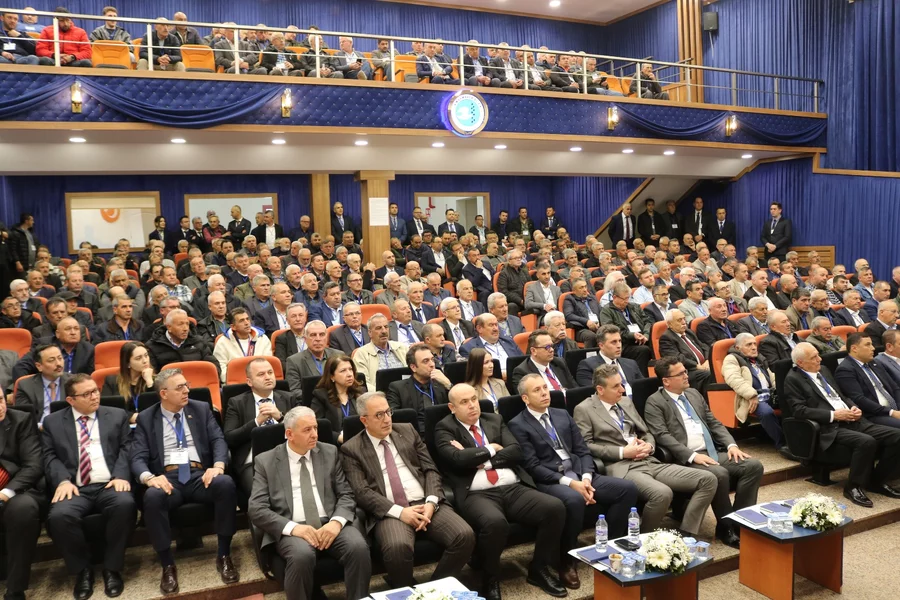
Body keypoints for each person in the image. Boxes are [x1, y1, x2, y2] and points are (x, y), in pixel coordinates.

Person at [434, 383, 568, 600]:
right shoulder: (444, 428)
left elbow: (516, 452)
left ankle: (539, 568)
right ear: (452, 407)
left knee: (554, 508)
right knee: (495, 523)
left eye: (474, 399)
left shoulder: (494, 419)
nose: (472, 405)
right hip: (476, 493)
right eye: (464, 402)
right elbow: (458, 459)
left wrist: (480, 460)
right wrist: (492, 448)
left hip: (512, 487)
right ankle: (490, 578)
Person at [509, 374, 638, 588]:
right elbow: (533, 467)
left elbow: (582, 450)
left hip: (579, 473)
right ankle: (566, 560)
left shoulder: (562, 415)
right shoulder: (518, 424)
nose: (544, 393)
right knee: (574, 499)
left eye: (545, 387)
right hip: (551, 481)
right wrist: (571, 483)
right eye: (537, 390)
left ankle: (610, 546)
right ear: (525, 398)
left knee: (627, 489)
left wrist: (586, 477)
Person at [340, 391, 476, 588]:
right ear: (364, 420)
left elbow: (430, 469)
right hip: (390, 511)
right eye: (379, 415)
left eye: (388, 412)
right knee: (397, 547)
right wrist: (400, 512)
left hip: (425, 502)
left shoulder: (407, 430)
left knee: (464, 535)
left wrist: (431, 502)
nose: (387, 419)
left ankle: (433, 589)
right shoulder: (352, 449)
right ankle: (404, 590)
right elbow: (362, 492)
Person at [131, 368, 240, 593]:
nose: (186, 390)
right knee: (152, 496)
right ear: (163, 393)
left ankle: (224, 554)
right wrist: (150, 478)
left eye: (186, 385)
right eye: (180, 387)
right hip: (168, 478)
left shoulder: (200, 409)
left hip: (200, 474)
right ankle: (167, 565)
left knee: (226, 483)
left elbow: (218, 440)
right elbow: (137, 456)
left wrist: (218, 466)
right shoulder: (147, 418)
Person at [573, 365, 716, 534]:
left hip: (648, 460)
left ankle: (687, 532)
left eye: (621, 384)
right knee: (662, 493)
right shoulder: (584, 409)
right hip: (623, 467)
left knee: (708, 479)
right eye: (616, 386)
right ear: (600, 389)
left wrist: (649, 445)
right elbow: (586, 446)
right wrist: (623, 452)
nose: (622, 390)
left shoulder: (625, 402)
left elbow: (646, 432)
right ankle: (645, 538)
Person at [249, 406, 371, 600]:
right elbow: (256, 509)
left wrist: (336, 522)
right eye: (307, 430)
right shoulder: (266, 461)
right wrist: (294, 528)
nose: (314, 434)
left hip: (329, 521)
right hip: (292, 526)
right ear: (289, 434)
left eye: (315, 428)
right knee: (301, 556)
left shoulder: (329, 452)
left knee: (358, 547)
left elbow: (346, 494)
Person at [646, 357, 763, 547]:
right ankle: (725, 527)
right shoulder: (655, 402)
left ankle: (740, 521)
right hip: (686, 458)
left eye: (685, 371)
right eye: (680, 374)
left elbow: (713, 422)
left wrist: (731, 445)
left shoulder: (693, 393)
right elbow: (662, 436)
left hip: (711, 451)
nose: (686, 375)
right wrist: (692, 456)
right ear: (666, 381)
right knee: (719, 473)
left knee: (753, 466)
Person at [42, 373, 136, 600]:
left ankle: (112, 568)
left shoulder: (116, 415)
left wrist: (121, 475)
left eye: (95, 391)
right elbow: (49, 456)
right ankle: (82, 571)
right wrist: (62, 480)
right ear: (71, 400)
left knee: (125, 504)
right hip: (75, 487)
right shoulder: (53, 422)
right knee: (59, 516)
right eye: (87, 394)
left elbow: (127, 448)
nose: (95, 397)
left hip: (109, 483)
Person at [784, 343, 900, 507]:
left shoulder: (824, 370)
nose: (820, 359)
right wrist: (834, 415)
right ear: (800, 363)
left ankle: (876, 480)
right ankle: (853, 487)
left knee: (896, 436)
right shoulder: (793, 379)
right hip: (831, 427)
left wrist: (853, 407)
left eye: (818, 355)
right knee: (866, 441)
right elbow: (799, 410)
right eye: (814, 357)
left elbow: (841, 396)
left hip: (852, 419)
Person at [223, 357, 291, 497]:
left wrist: (280, 417)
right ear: (249, 382)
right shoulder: (236, 403)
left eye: (270, 372)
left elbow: (303, 428)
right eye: (261, 374)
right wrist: (257, 421)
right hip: (252, 462)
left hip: (288, 458)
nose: (268, 377)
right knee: (261, 496)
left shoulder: (289, 398)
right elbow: (230, 437)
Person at [0, 391, 43, 600]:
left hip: (15, 490)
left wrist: (6, 493)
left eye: (0, 400)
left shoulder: (21, 420)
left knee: (24, 509)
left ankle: (15, 589)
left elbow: (33, 465)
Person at [722, 333, 784, 449]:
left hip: (771, 394)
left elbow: (772, 377)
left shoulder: (759, 358)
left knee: (792, 402)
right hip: (753, 397)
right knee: (766, 412)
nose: (754, 347)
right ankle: (781, 444)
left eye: (755, 344)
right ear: (738, 348)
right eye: (749, 345)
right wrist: (751, 394)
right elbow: (733, 379)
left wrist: (782, 389)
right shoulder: (731, 359)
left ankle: (795, 439)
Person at [834, 333, 900, 428]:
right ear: (854, 348)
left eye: (872, 344)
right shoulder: (845, 370)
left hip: (894, 409)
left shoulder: (874, 363)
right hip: (874, 415)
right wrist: (891, 412)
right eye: (867, 345)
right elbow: (859, 399)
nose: (873, 348)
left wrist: (898, 408)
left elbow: (894, 387)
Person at [386, 345, 449, 435]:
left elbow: (459, 406)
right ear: (413, 367)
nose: (432, 364)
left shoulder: (441, 383)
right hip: (413, 435)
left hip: (443, 432)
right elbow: (394, 418)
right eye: (426, 361)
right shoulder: (397, 388)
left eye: (432, 359)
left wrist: (448, 385)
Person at [285, 320, 345, 403]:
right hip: (311, 404)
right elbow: (294, 391)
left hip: (338, 401)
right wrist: (320, 399)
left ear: (326, 337)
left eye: (322, 335)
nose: (318, 339)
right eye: (313, 335)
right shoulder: (294, 361)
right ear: (305, 339)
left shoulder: (339, 355)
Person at [599, 283, 652, 375]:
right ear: (615, 297)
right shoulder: (607, 311)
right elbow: (610, 331)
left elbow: (647, 322)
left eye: (628, 298)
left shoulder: (634, 307)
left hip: (642, 338)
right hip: (623, 343)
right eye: (624, 299)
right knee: (643, 350)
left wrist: (646, 335)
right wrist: (632, 335)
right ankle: (640, 378)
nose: (627, 301)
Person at [311, 356, 363, 445]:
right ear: (332, 376)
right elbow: (317, 426)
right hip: (336, 444)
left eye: (350, 369)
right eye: (343, 371)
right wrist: (338, 438)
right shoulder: (321, 396)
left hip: (361, 441)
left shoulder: (360, 393)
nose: (349, 374)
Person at [145, 309, 217, 373]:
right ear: (169, 327)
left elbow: (214, 366)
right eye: (180, 324)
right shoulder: (152, 346)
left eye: (187, 324)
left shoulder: (199, 341)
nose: (186, 329)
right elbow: (153, 374)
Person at [658, 309, 712, 393]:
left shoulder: (688, 332)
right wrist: (696, 366)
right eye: (679, 320)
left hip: (704, 365)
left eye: (684, 319)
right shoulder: (666, 338)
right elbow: (677, 358)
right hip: (687, 371)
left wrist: (707, 360)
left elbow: (704, 346)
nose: (684, 322)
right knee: (708, 374)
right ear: (669, 324)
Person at [509, 330, 576, 395]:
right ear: (533, 351)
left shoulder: (559, 362)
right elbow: (527, 399)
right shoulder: (522, 372)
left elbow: (574, 387)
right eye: (547, 347)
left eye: (552, 346)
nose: (552, 350)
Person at [100, 341, 155, 421]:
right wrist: (130, 417)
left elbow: (159, 407)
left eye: (146, 355)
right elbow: (106, 408)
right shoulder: (112, 381)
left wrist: (150, 382)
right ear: (127, 364)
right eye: (138, 358)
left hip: (149, 423)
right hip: (122, 424)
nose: (145, 361)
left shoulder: (156, 380)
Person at [353, 314, 408, 392]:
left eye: (386, 327)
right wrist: (380, 394)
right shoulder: (361, 354)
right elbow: (364, 383)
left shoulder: (402, 348)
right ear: (370, 333)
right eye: (378, 328)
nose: (384, 331)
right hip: (378, 395)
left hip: (405, 393)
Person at [458, 313, 523, 368]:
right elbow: (474, 373)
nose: (495, 329)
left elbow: (522, 362)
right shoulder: (469, 349)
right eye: (491, 325)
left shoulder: (509, 342)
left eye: (496, 325)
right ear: (479, 328)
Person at [562, 278, 601, 348]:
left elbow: (601, 311)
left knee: (610, 332)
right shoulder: (570, 299)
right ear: (574, 290)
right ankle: (588, 355)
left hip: (597, 326)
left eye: (585, 286)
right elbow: (569, 315)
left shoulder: (592, 298)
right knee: (591, 336)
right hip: (581, 328)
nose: (585, 290)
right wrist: (586, 322)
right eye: (581, 288)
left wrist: (599, 322)